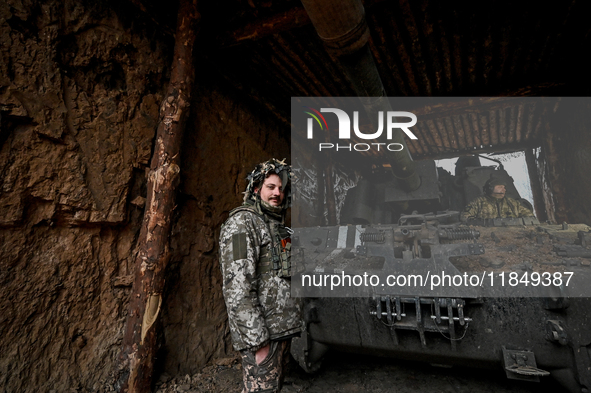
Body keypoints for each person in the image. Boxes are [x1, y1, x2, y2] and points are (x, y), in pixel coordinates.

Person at [219, 158, 301, 393]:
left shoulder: (277, 226)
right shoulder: (243, 224)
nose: (278, 193)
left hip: (281, 331)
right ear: (256, 189)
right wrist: (257, 341)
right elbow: (238, 287)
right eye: (271, 187)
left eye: (281, 189)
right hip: (264, 337)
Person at [461, 176, 534, 221]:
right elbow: (465, 217)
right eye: (500, 187)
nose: (503, 190)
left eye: (504, 187)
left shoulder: (513, 203)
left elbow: (530, 216)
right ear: (490, 189)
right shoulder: (478, 202)